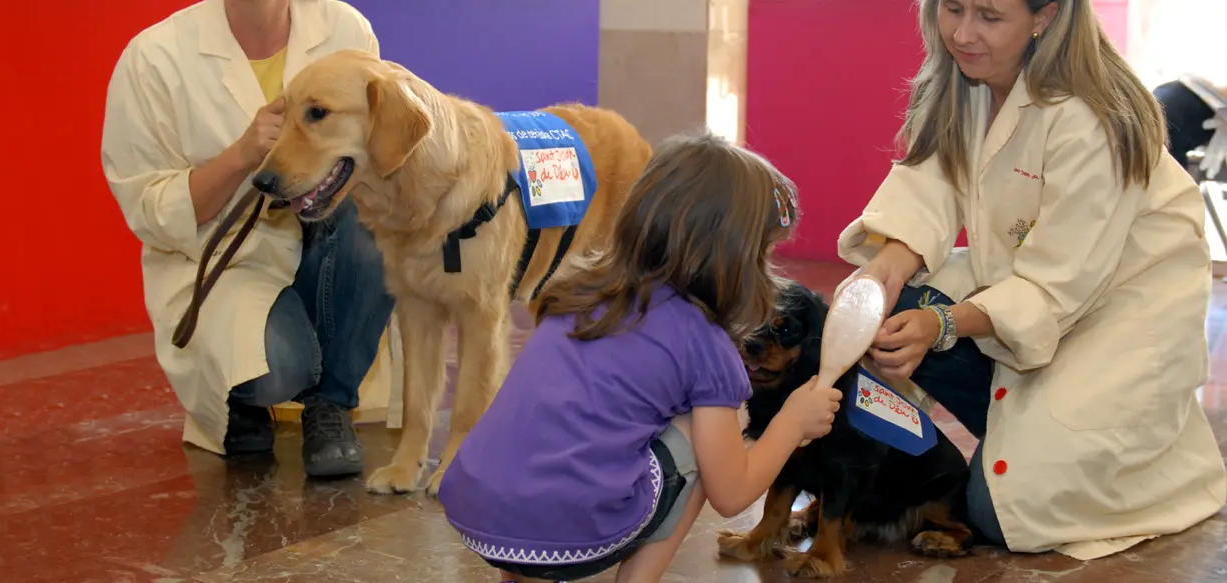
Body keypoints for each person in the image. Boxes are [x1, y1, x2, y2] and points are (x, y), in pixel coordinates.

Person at [836, 0, 1227, 562]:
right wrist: (884, 271)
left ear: (1045, 16)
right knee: (893, 305)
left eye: (990, 17)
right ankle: (1012, 434)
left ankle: (1152, 465)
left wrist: (941, 323)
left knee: (998, 513)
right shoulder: (963, 84)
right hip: (1034, 299)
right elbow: (930, 184)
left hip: (1118, 319)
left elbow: (1055, 287)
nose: (963, 33)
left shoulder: (1092, 118)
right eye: (953, 9)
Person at [436, 133, 843, 583]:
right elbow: (732, 492)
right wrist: (792, 423)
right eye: (763, 251)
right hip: (563, 534)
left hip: (479, 513)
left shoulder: (579, 292)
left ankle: (521, 575)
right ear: (735, 258)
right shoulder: (706, 345)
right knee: (701, 440)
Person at [100, 0, 397, 477]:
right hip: (223, 256)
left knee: (375, 224)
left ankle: (330, 406)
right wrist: (242, 155)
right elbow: (149, 211)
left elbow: (374, 151)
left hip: (330, 241)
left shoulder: (345, 27)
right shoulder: (153, 57)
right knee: (281, 368)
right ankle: (242, 397)